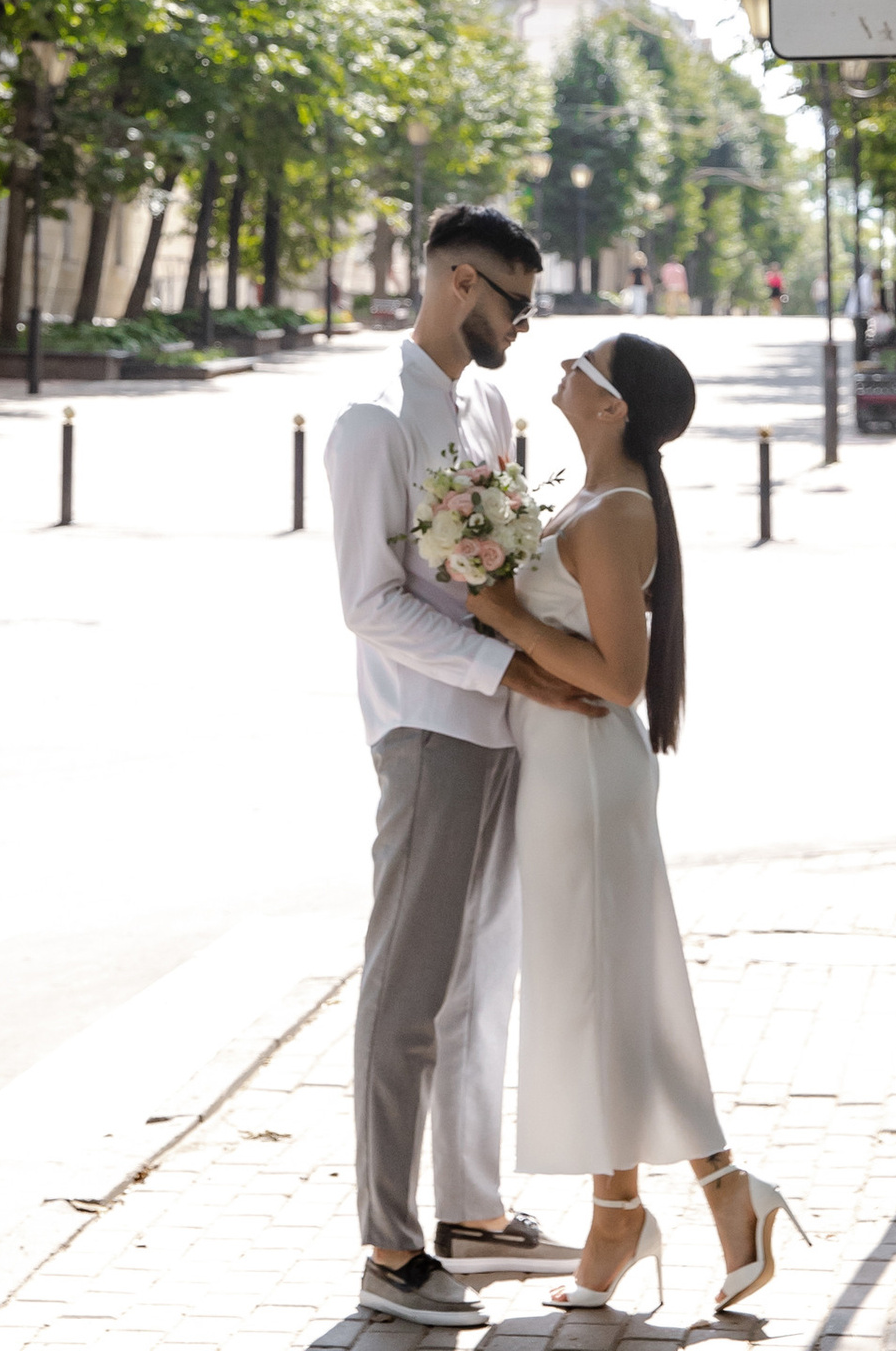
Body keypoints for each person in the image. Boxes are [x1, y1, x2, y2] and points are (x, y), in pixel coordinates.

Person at [466, 330, 803, 1319]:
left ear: (612, 406)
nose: (564, 365)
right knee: (611, 992)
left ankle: (676, 1202)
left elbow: (617, 678)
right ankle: (670, 1200)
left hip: (584, 779)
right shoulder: (593, 497)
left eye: (585, 361)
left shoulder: (614, 513)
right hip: (564, 772)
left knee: (596, 992)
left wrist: (503, 614)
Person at [326, 206, 595, 1332]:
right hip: (430, 730)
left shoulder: (484, 402)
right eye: (514, 305)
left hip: (498, 726)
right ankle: (390, 1247)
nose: (522, 328)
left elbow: (500, 556)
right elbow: (369, 603)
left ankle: (471, 1215)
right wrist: (503, 669)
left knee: (480, 981)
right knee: (408, 991)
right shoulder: (370, 423)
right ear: (455, 282)